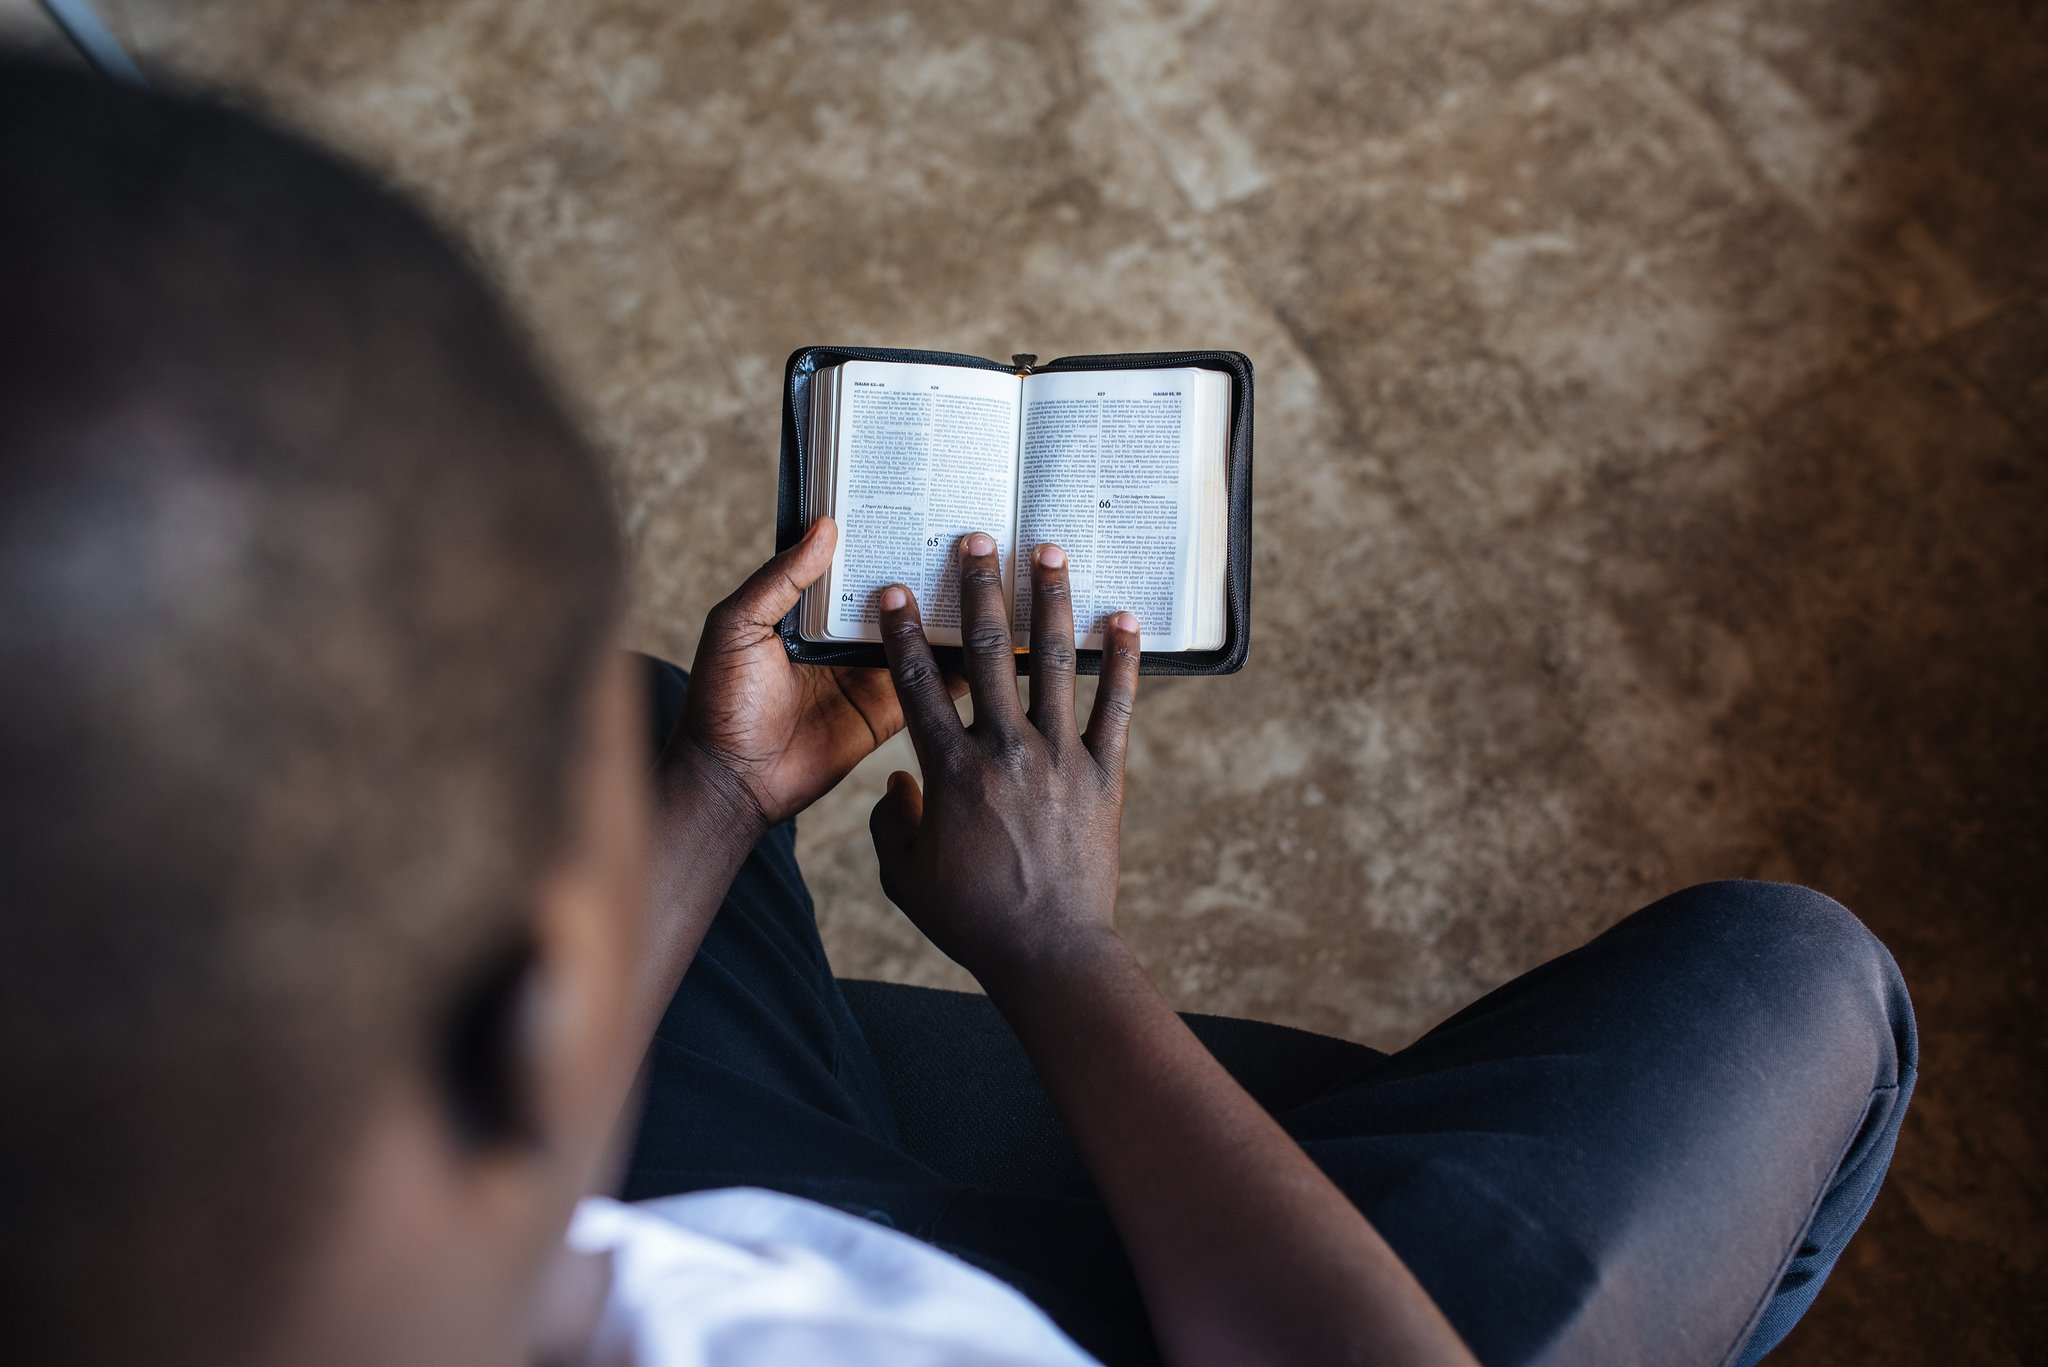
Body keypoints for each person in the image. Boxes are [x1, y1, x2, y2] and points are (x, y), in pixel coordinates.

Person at [0, 57, 1917, 1367]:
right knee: (1799, 979)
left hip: (694, 1207)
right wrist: (1061, 950)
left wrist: (718, 802)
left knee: (646, 720)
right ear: (508, 1035)